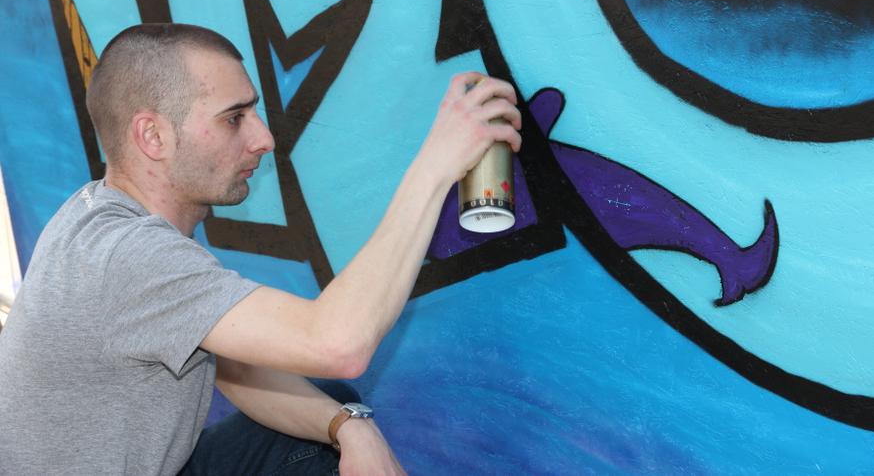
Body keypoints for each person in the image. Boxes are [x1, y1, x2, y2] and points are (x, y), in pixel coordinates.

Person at [0, 23, 522, 475]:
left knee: (327, 417)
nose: (264, 138)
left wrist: (347, 427)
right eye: (234, 118)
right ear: (152, 136)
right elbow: (338, 344)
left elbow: (235, 365)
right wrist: (436, 166)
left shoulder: (96, 210)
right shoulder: (129, 255)